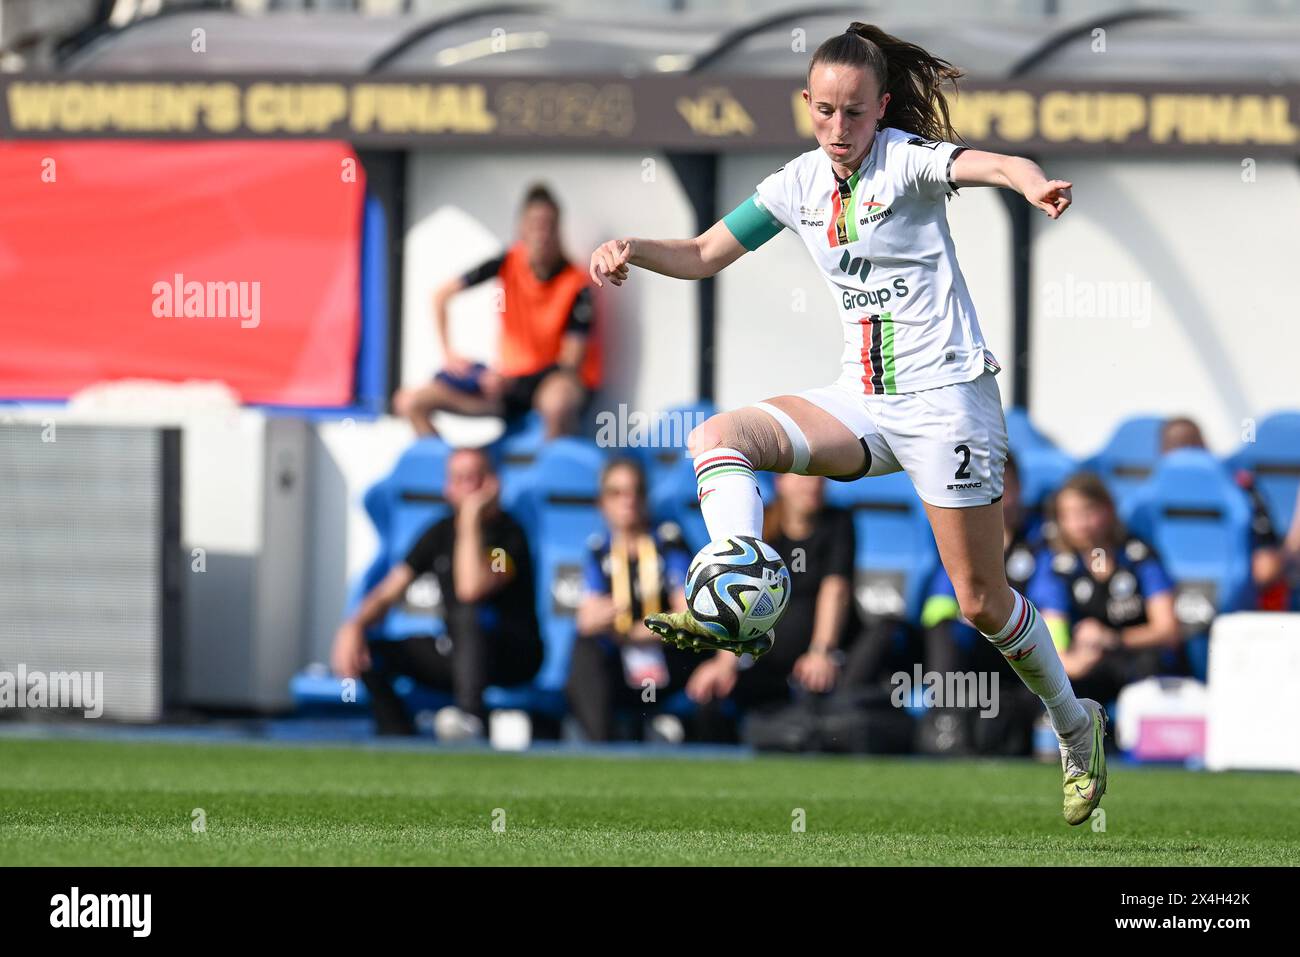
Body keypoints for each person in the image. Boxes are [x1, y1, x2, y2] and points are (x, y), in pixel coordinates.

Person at [588, 22, 1106, 824]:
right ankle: (740, 575)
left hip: (948, 402)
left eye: (855, 113)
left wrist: (1030, 183)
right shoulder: (797, 183)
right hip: (861, 399)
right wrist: (631, 248)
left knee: (980, 601)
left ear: (882, 108)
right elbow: (700, 252)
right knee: (716, 436)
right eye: (824, 111)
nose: (838, 129)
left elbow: (991, 161)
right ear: (807, 105)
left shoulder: (905, 159)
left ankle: (1076, 726)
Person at [330, 447, 543, 737]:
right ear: (448, 487)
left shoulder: (507, 536)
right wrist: (354, 625)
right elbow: (390, 590)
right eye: (460, 478)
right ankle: (397, 739)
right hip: (457, 654)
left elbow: (471, 589)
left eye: (476, 477)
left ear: (494, 482)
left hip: (510, 654)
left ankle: (471, 720)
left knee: (469, 614)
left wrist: (470, 520)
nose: (469, 486)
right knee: (373, 652)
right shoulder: (439, 532)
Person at [394, 184, 599, 439]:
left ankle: (548, 474)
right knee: (411, 402)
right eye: (535, 224)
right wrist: (450, 354)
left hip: (549, 382)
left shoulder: (577, 284)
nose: (542, 234)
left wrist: (513, 381)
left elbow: (570, 362)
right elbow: (440, 295)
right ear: (521, 228)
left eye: (549, 225)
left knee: (557, 403)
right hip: (505, 385)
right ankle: (454, 472)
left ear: (558, 229)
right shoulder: (506, 262)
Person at [686, 473, 856, 739]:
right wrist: (725, 661)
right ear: (780, 481)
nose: (813, 484)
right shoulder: (760, 525)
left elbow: (834, 590)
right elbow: (737, 598)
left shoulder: (838, 522)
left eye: (819, 477)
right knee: (712, 698)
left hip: (812, 657)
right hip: (765, 657)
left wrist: (821, 651)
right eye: (803, 477)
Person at [566, 458, 703, 742]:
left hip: (667, 657)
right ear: (602, 503)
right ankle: (600, 748)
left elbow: (686, 617)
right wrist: (606, 625)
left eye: (635, 491)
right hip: (621, 662)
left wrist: (634, 633)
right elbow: (587, 618)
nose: (628, 501)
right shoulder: (598, 550)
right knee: (584, 648)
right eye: (616, 493)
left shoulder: (668, 542)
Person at [918, 452, 1046, 755]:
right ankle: (945, 720)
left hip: (1019, 648)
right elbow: (935, 605)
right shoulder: (961, 540)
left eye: (1007, 487)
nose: (999, 496)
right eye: (990, 487)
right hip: (971, 648)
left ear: (1019, 491)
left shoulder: (1041, 542)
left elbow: (1050, 606)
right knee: (943, 630)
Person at [1027, 473, 1182, 713]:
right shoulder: (1057, 567)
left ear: (1108, 509)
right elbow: (1054, 630)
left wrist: (1113, 638)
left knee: (1150, 666)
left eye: (1088, 511)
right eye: (1069, 515)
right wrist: (1072, 664)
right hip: (1086, 664)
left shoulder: (1138, 556)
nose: (1080, 523)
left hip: (1138, 662)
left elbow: (1168, 630)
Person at [1160, 416, 1289, 610]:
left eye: (1188, 446)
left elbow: (1266, 567)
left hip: (1232, 608)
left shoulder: (1239, 488)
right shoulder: (1149, 499)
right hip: (1165, 607)